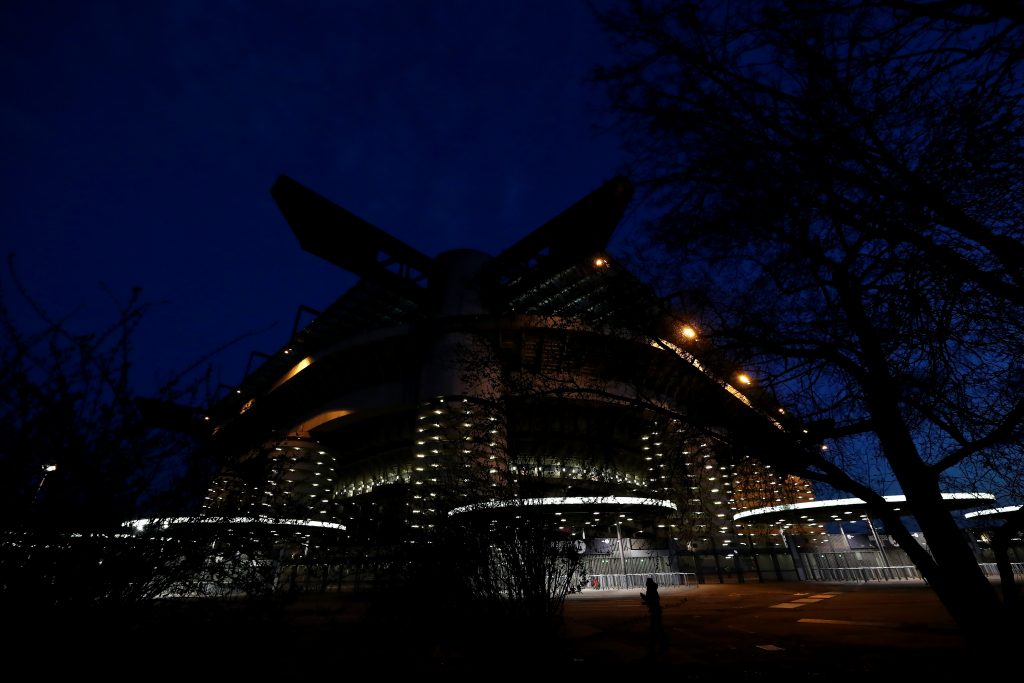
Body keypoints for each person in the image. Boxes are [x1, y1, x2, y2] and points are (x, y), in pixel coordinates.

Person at [640, 576, 668, 655]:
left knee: (656, 627)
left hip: (655, 611)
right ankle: (662, 642)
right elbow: (656, 599)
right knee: (658, 627)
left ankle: (658, 644)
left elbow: (651, 600)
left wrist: (644, 598)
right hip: (656, 610)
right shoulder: (653, 589)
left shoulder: (650, 590)